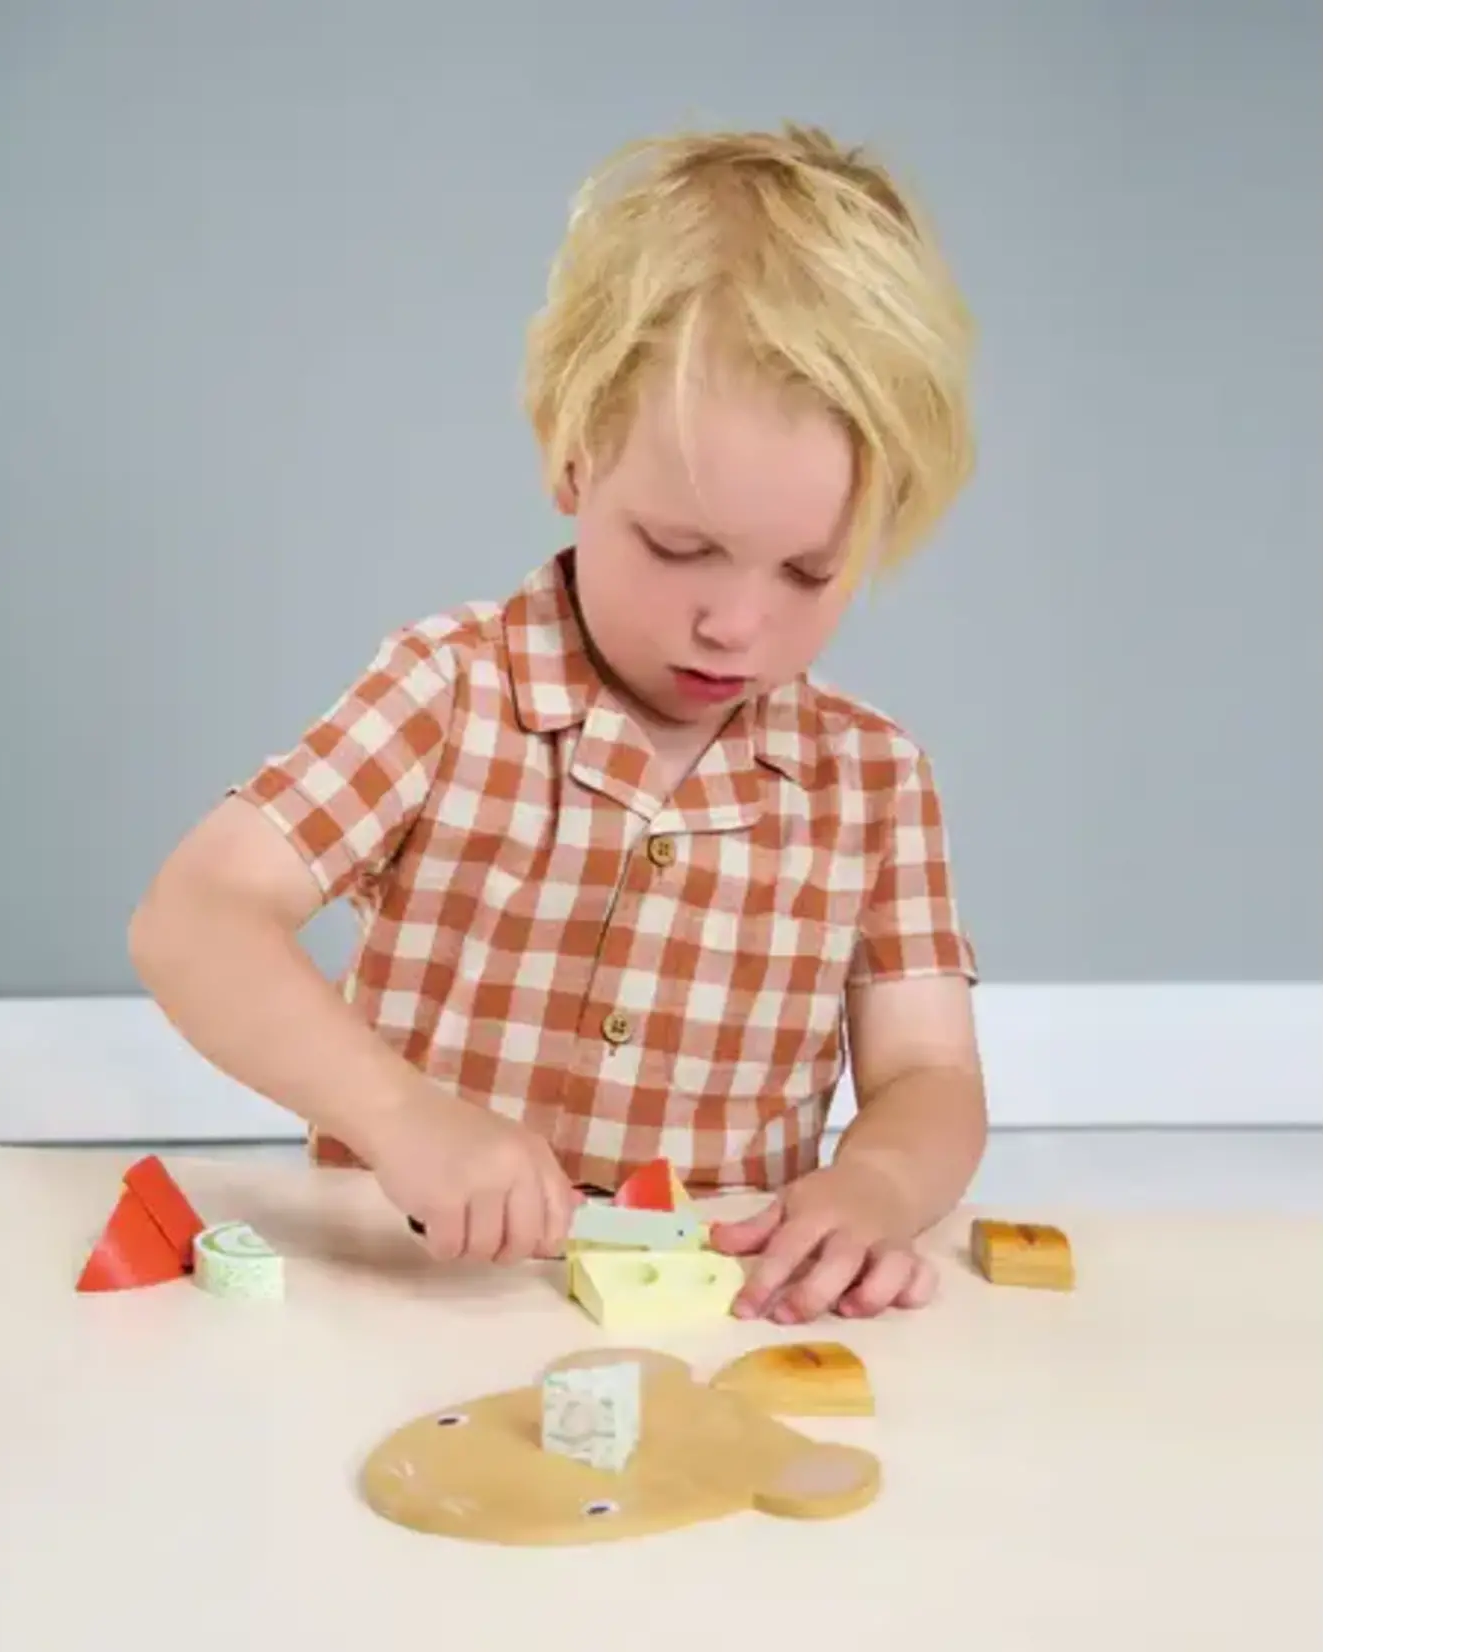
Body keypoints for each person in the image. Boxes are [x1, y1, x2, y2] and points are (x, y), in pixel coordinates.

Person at [129, 123, 987, 1325]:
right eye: (680, 548)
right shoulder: (450, 690)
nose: (734, 624)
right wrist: (400, 1114)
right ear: (574, 461)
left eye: (806, 572)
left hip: (720, 1312)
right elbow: (195, 917)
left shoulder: (875, 782)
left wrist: (874, 1184)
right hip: (414, 1289)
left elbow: (928, 1073)